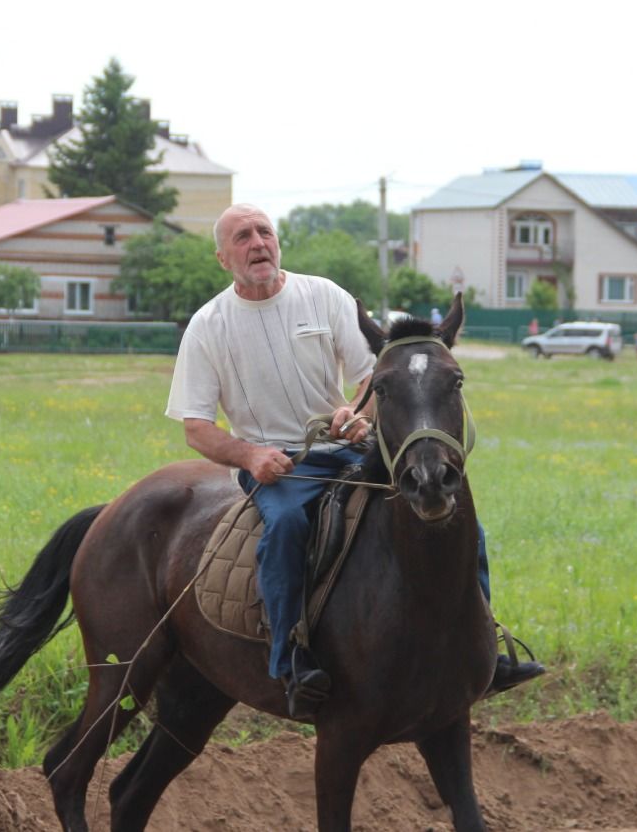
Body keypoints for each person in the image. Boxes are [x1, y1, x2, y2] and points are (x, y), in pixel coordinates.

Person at [167, 204, 542, 719]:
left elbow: (375, 373)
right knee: (284, 532)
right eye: (242, 237)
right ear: (221, 258)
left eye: (264, 232)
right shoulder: (208, 326)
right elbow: (196, 428)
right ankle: (291, 661)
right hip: (283, 468)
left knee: (455, 515)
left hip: (349, 448)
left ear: (277, 243)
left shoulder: (324, 296)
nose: (257, 243)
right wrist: (251, 455)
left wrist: (355, 408)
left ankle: (486, 649)